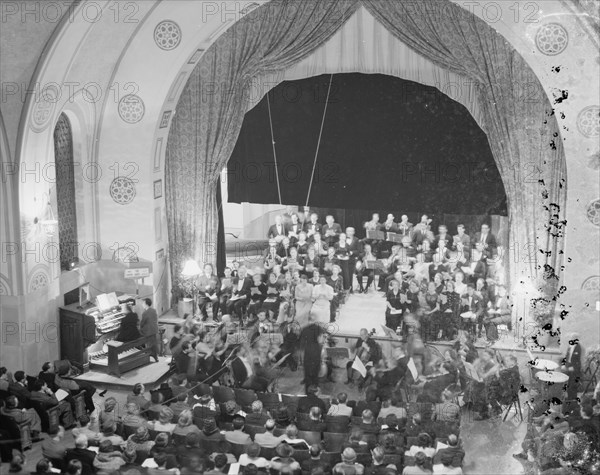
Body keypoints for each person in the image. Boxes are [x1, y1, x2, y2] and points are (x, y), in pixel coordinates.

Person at [300, 324, 327, 391]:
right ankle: (315, 390)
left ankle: (308, 392)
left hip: (308, 353)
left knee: (307, 374)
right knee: (315, 375)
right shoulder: (318, 329)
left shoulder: (305, 329)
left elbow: (301, 345)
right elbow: (321, 341)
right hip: (316, 353)